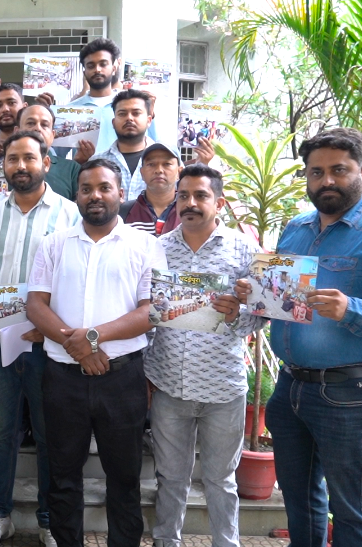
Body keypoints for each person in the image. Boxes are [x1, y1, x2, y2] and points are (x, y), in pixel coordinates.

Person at [235, 127, 362, 547]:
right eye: (316, 172)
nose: (326, 180)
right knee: (298, 500)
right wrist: (255, 293)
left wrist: (353, 308)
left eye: (339, 170)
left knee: (349, 507)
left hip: (351, 392)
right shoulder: (297, 228)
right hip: (291, 387)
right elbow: (284, 299)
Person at [26, 158, 167, 547]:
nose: (95, 195)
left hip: (122, 379)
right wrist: (81, 349)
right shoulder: (55, 243)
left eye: (104, 188)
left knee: (124, 479)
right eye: (86, 189)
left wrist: (91, 338)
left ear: (120, 193)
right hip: (62, 380)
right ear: (77, 196)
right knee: (62, 477)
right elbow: (35, 304)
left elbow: (151, 311)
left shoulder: (146, 246)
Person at [0, 131, 81, 547]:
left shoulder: (70, 215)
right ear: (4, 165)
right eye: (13, 158)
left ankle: (48, 520)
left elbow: (76, 281)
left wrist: (49, 326)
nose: (20, 166)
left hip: (48, 344)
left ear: (46, 163)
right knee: (0, 432)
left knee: (50, 433)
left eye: (29, 158)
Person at [145, 164, 266, 547]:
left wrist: (237, 315)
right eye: (183, 196)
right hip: (168, 386)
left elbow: (264, 314)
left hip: (222, 389)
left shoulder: (245, 250)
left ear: (219, 203)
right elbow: (144, 310)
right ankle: (166, 541)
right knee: (170, 478)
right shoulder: (157, 249)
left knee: (221, 480)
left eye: (200, 195)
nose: (190, 203)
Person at [15, 104, 81, 201]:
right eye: (30, 123)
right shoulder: (6, 167)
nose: (37, 128)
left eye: (44, 125)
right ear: (17, 131)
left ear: (53, 135)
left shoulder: (72, 169)